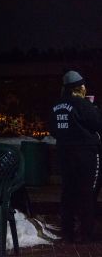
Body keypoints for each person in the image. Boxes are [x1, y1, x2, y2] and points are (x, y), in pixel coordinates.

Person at [50, 70, 102, 243]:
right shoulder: (83, 105)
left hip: (64, 153)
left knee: (68, 191)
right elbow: (98, 124)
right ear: (80, 87)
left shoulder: (56, 105)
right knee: (88, 193)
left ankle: (68, 231)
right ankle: (86, 233)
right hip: (86, 154)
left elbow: (53, 129)